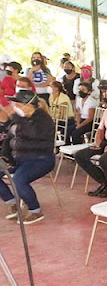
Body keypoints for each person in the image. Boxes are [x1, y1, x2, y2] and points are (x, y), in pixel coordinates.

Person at [0, 90, 55, 224]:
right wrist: (4, 156)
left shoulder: (43, 119)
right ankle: (13, 203)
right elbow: (9, 138)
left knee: (19, 179)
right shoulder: (19, 119)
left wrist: (18, 117)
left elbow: (31, 133)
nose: (14, 106)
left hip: (41, 159)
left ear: (28, 105)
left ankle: (35, 211)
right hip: (19, 159)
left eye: (17, 103)